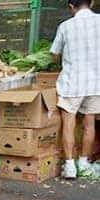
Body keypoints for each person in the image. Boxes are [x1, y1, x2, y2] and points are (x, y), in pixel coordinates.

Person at [50, 0, 100, 179]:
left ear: (71, 6)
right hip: (95, 83)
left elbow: (54, 53)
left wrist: (62, 57)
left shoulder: (66, 26)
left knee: (68, 124)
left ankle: (69, 166)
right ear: (91, 3)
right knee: (89, 124)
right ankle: (84, 164)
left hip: (72, 83)